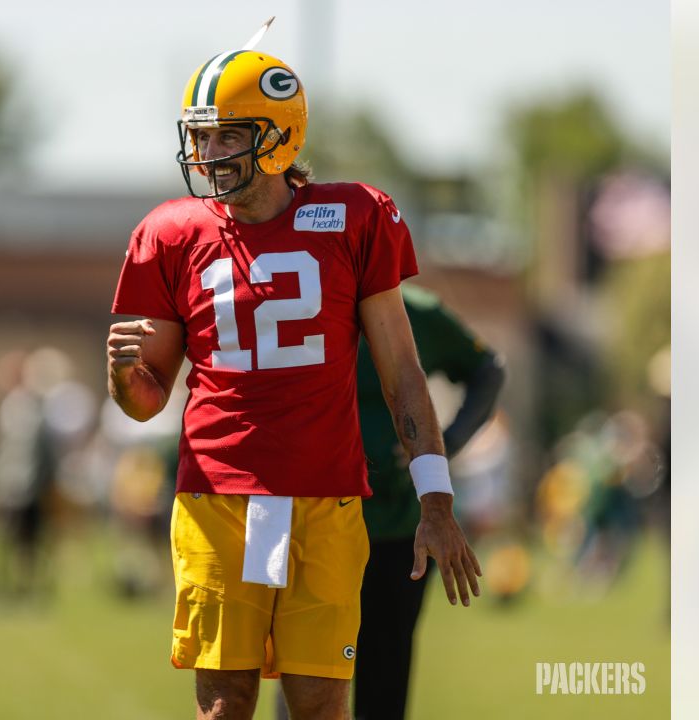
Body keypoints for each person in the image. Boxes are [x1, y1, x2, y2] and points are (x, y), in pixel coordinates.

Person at [107, 42, 482, 720]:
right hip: (218, 498)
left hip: (328, 501)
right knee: (226, 702)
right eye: (199, 134)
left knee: (319, 702)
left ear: (279, 137)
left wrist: (437, 500)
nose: (207, 150)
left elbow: (403, 373)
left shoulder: (354, 217)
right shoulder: (170, 233)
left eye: (227, 133)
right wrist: (121, 375)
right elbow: (144, 399)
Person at [349, 285, 505, 720]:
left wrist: (447, 444)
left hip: (397, 527)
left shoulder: (414, 310)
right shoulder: (304, 293)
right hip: (309, 521)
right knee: (304, 681)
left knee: (384, 684)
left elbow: (488, 369)